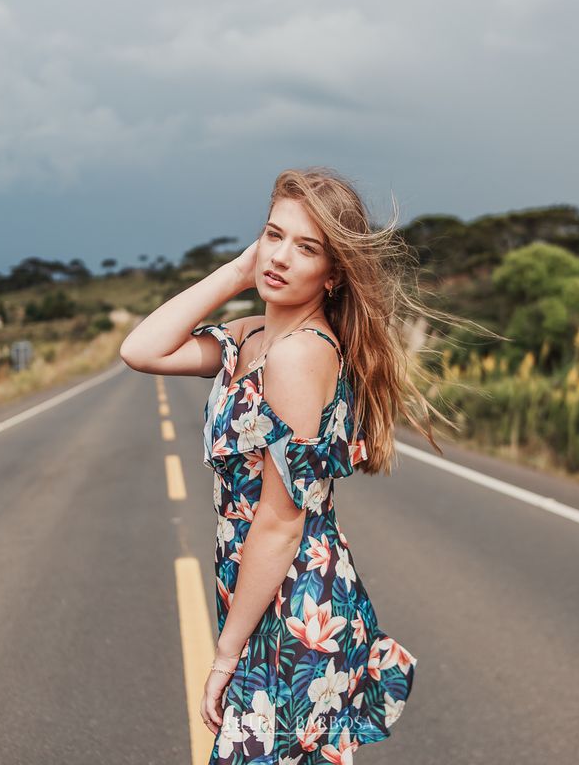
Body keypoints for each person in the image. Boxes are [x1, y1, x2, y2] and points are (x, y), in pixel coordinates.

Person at [122, 168, 439, 764]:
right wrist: (240, 271)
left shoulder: (298, 358)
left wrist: (224, 656)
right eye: (274, 235)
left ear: (333, 272)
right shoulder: (250, 340)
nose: (283, 257)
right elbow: (141, 349)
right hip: (263, 594)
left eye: (307, 247)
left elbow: (280, 522)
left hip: (295, 609)